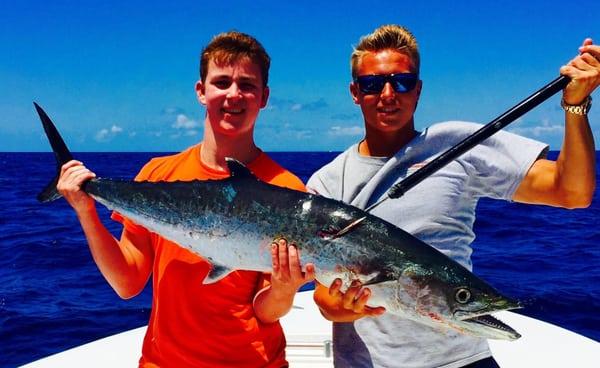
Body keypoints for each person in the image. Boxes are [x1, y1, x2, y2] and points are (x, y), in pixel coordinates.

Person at [307, 24, 599, 368]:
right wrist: (341, 307)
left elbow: (572, 192)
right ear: (356, 93)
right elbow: (324, 299)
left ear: (418, 90)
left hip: (463, 361)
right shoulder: (326, 183)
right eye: (372, 84)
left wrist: (575, 105)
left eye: (401, 81)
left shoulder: (458, 145)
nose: (388, 93)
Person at [57, 31, 314, 367]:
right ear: (201, 91)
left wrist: (283, 289)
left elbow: (265, 311)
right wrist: (86, 212)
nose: (234, 94)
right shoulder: (158, 174)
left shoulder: (286, 189)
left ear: (263, 97)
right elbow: (127, 282)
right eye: (221, 82)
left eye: (247, 85)